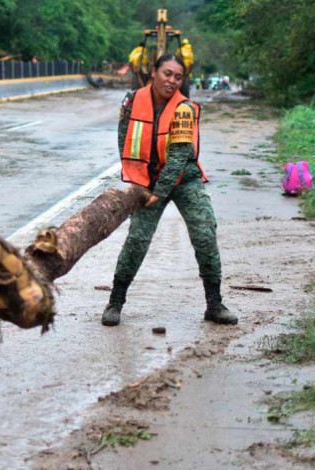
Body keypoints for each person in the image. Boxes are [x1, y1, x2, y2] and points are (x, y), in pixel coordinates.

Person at [101, 54, 237, 327]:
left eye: (178, 77)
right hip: (148, 182)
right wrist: (137, 181)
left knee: (204, 233)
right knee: (137, 240)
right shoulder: (130, 102)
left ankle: (214, 304)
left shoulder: (184, 109)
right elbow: (123, 140)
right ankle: (115, 302)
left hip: (184, 180)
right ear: (153, 72)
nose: (172, 81)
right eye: (167, 74)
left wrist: (159, 193)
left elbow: (177, 159)